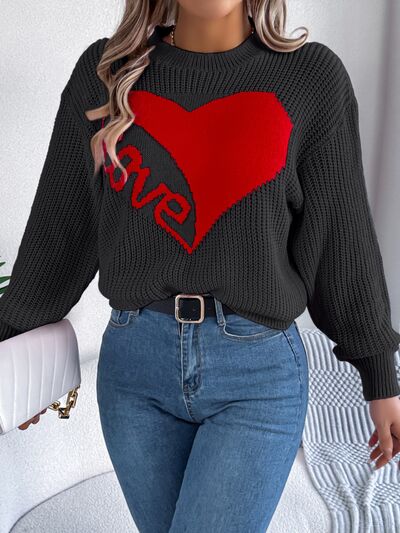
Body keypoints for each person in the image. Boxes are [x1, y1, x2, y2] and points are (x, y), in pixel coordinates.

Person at [1, 1, 400, 531]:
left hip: (257, 376)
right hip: (134, 375)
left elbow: (341, 236)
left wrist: (380, 374)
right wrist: (12, 353)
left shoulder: (311, 78)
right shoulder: (104, 74)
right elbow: (60, 226)